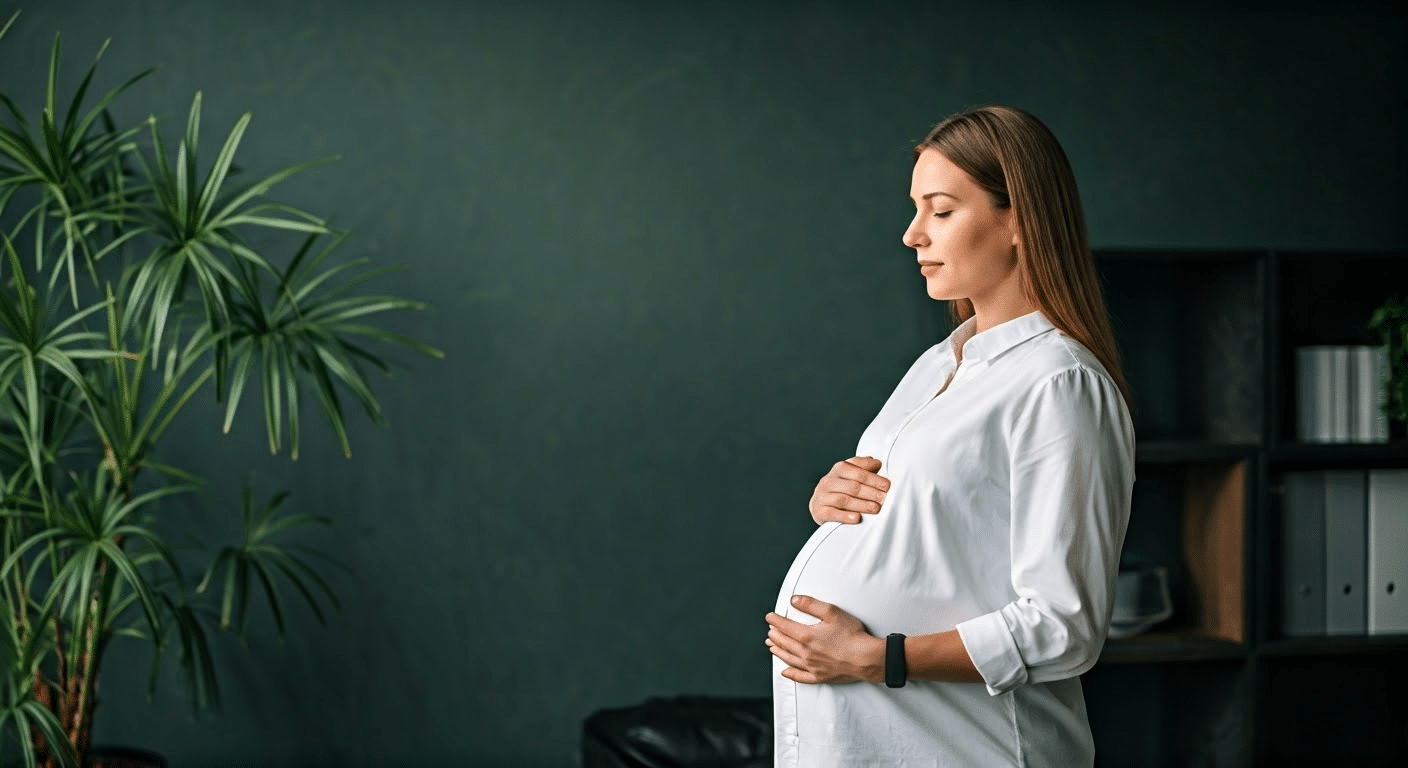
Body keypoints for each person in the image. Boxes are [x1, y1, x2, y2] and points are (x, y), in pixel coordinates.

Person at [763, 104, 1136, 767]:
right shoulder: (940, 364)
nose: (912, 235)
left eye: (940, 210)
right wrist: (835, 508)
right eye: (916, 210)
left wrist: (882, 659)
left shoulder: (1058, 384)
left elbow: (1064, 625)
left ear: (1018, 219)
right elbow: (940, 527)